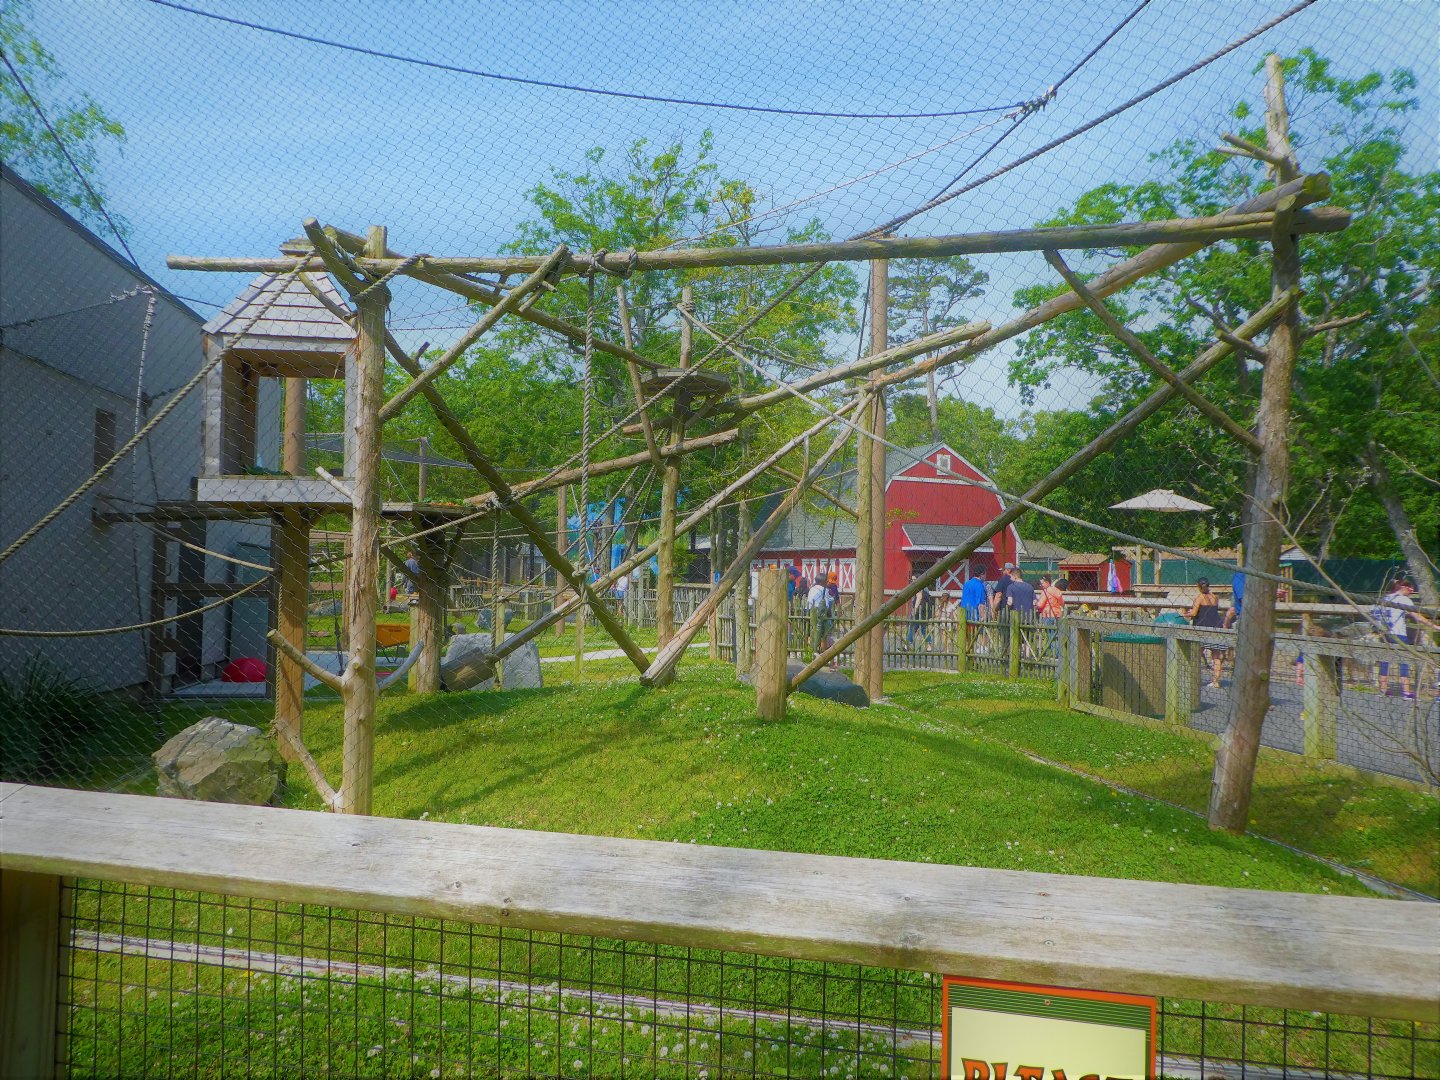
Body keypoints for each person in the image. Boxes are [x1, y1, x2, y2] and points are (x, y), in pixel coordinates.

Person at [1378, 578, 1436, 698]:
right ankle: (1406, 692)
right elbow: (1417, 616)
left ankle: (1382, 690)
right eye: (1410, 590)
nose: (1411, 593)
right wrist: (1434, 626)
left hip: (1385, 633)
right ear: (1403, 588)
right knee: (1404, 661)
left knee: (1384, 661)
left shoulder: (1385, 598)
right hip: (1399, 634)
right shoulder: (1404, 600)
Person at [1185, 577, 1227, 689]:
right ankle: (1216, 682)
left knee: (1197, 653)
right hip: (1216, 626)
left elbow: (1194, 613)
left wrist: (1185, 613)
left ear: (1198, 586)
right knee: (1216, 655)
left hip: (1202, 628)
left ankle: (1193, 679)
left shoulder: (1199, 597)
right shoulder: (1215, 597)